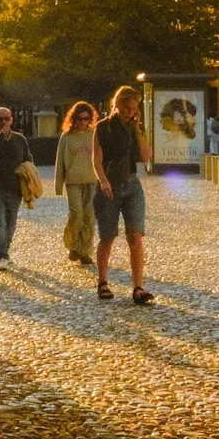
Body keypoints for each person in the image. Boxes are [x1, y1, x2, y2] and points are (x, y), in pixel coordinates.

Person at [94, 84, 154, 304]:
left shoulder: (134, 128)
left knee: (136, 236)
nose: (131, 112)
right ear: (117, 105)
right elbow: (96, 159)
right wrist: (103, 181)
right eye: (127, 107)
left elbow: (146, 157)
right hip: (109, 186)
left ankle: (138, 287)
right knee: (107, 237)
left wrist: (137, 129)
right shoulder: (103, 127)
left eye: (134, 108)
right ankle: (102, 282)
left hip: (131, 185)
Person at [0, 106, 33, 269]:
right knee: (0, 221)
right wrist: (0, 137)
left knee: (11, 222)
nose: (3, 122)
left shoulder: (20, 139)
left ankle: (5, 251)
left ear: (11, 120)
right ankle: (2, 256)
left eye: (6, 119)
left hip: (15, 187)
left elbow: (28, 159)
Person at [54, 100, 98, 264]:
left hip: (92, 181)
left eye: (86, 118)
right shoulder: (67, 137)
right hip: (73, 182)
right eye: (79, 118)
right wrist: (58, 185)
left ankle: (85, 251)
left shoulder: (94, 135)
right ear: (73, 119)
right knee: (77, 214)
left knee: (89, 217)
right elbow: (60, 162)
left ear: (90, 119)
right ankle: (72, 245)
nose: (82, 122)